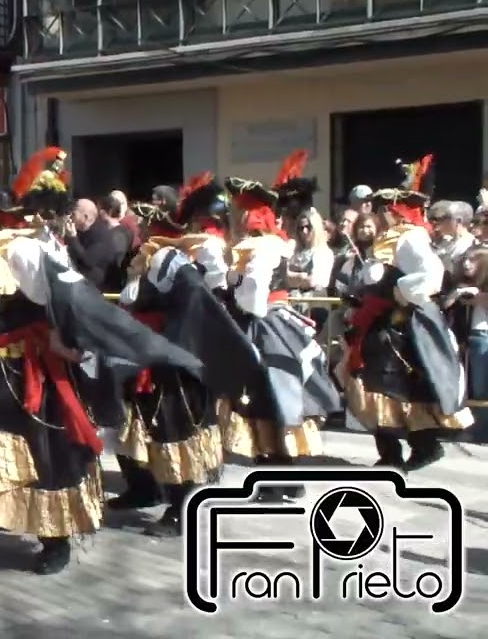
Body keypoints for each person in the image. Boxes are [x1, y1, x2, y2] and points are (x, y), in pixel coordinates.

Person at [0, 147, 205, 574]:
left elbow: (61, 297)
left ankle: (56, 540)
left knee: (43, 454)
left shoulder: (22, 251)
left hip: (26, 371)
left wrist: (59, 335)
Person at [110, 200, 259, 536]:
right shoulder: (151, 259)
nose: (141, 230)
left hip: (168, 365)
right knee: (139, 426)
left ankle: (181, 510)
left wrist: (170, 341)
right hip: (144, 355)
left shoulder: (170, 260)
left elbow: (193, 296)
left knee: (173, 432)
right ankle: (144, 489)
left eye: (145, 225)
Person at [337, 156, 474, 470]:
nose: (381, 212)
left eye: (385, 206)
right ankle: (391, 453)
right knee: (374, 384)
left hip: (401, 325)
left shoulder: (409, 237)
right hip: (379, 323)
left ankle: (419, 448)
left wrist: (398, 291)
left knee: (396, 387)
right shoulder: (388, 239)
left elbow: (431, 275)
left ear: (394, 209)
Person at [223, 150, 340, 501]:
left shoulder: (260, 248)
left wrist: (233, 284)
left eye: (241, 211)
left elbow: (255, 298)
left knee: (265, 400)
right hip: (274, 324)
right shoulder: (270, 245)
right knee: (275, 399)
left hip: (263, 327)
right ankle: (287, 479)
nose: (237, 217)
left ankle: (275, 481)